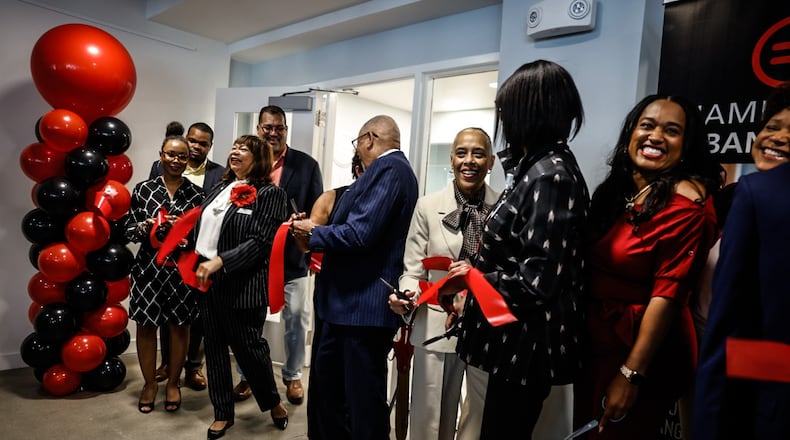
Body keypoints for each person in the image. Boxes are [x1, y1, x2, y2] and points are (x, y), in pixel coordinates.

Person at [435, 60, 590, 439]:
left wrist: (472, 280)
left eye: (507, 110)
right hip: (512, 346)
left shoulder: (551, 174)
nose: (503, 119)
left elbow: (537, 280)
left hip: (525, 350)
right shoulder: (533, 168)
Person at [573, 94, 722, 439]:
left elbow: (667, 297)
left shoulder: (686, 209)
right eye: (647, 125)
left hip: (641, 352)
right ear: (630, 134)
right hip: (599, 345)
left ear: (686, 146)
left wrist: (630, 374)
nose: (655, 136)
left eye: (672, 131)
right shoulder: (619, 191)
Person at [291, 115, 418, 439]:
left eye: (359, 142)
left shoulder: (390, 170)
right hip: (346, 308)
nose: (359, 150)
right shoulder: (387, 171)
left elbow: (361, 234)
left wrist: (314, 233)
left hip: (361, 310)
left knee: (364, 406)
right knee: (336, 399)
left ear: (370, 138)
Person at [694, 84, 790, 439]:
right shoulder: (730, 198)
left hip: (752, 392)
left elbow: (733, 318)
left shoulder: (758, 196)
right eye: (772, 126)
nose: (778, 138)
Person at [388, 127, 496, 440]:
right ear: (451, 160)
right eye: (462, 153)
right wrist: (407, 295)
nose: (469, 160)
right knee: (431, 416)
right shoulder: (427, 206)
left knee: (481, 413)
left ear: (490, 162)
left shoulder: (504, 207)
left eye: (478, 153)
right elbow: (412, 269)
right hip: (436, 326)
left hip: (486, 326)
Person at [193, 134, 289, 438]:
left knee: (251, 350)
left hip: (243, 284)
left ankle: (272, 402)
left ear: (258, 157)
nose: (235, 151)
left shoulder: (270, 194)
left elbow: (260, 242)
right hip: (208, 280)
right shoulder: (218, 187)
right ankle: (222, 413)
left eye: (244, 148)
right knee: (216, 349)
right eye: (234, 146)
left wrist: (219, 261)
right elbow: (205, 229)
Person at [233, 105, 323, 405]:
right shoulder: (247, 163)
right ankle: (248, 375)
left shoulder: (307, 165)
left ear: (286, 129)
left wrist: (306, 231)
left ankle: (293, 375)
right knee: (250, 320)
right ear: (259, 128)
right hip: (251, 258)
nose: (273, 132)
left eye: (279, 128)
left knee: (297, 318)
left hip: (292, 260)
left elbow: (317, 212)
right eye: (267, 127)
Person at [124, 135, 205, 413]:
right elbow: (127, 231)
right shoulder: (143, 190)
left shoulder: (197, 194)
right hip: (147, 271)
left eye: (182, 156)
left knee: (180, 327)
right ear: (161, 155)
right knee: (146, 327)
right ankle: (149, 384)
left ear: (188, 161)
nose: (176, 160)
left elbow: (203, 236)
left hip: (181, 273)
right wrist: (146, 226)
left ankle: (173, 383)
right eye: (171, 154)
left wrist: (185, 237)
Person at [150, 122, 226, 391]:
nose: (195, 146)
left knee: (196, 315)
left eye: (202, 143)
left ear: (210, 147)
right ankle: (168, 363)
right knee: (166, 310)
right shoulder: (161, 166)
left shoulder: (221, 173)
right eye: (192, 140)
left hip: (200, 252)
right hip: (169, 254)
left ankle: (193, 367)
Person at [306, 152, 362, 439]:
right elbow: (309, 239)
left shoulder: (387, 201)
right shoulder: (331, 197)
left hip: (366, 301)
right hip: (332, 294)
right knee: (326, 374)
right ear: (356, 168)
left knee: (359, 382)